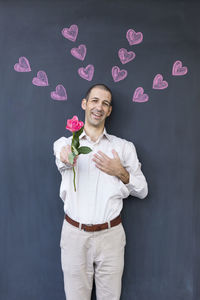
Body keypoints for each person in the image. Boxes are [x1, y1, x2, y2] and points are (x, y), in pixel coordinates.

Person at [53, 83, 148, 300]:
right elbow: (64, 157)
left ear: (109, 111)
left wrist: (121, 172)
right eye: (95, 101)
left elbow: (142, 190)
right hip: (74, 235)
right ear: (84, 104)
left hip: (111, 236)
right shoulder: (65, 144)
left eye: (105, 103)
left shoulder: (124, 147)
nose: (99, 107)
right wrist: (68, 157)